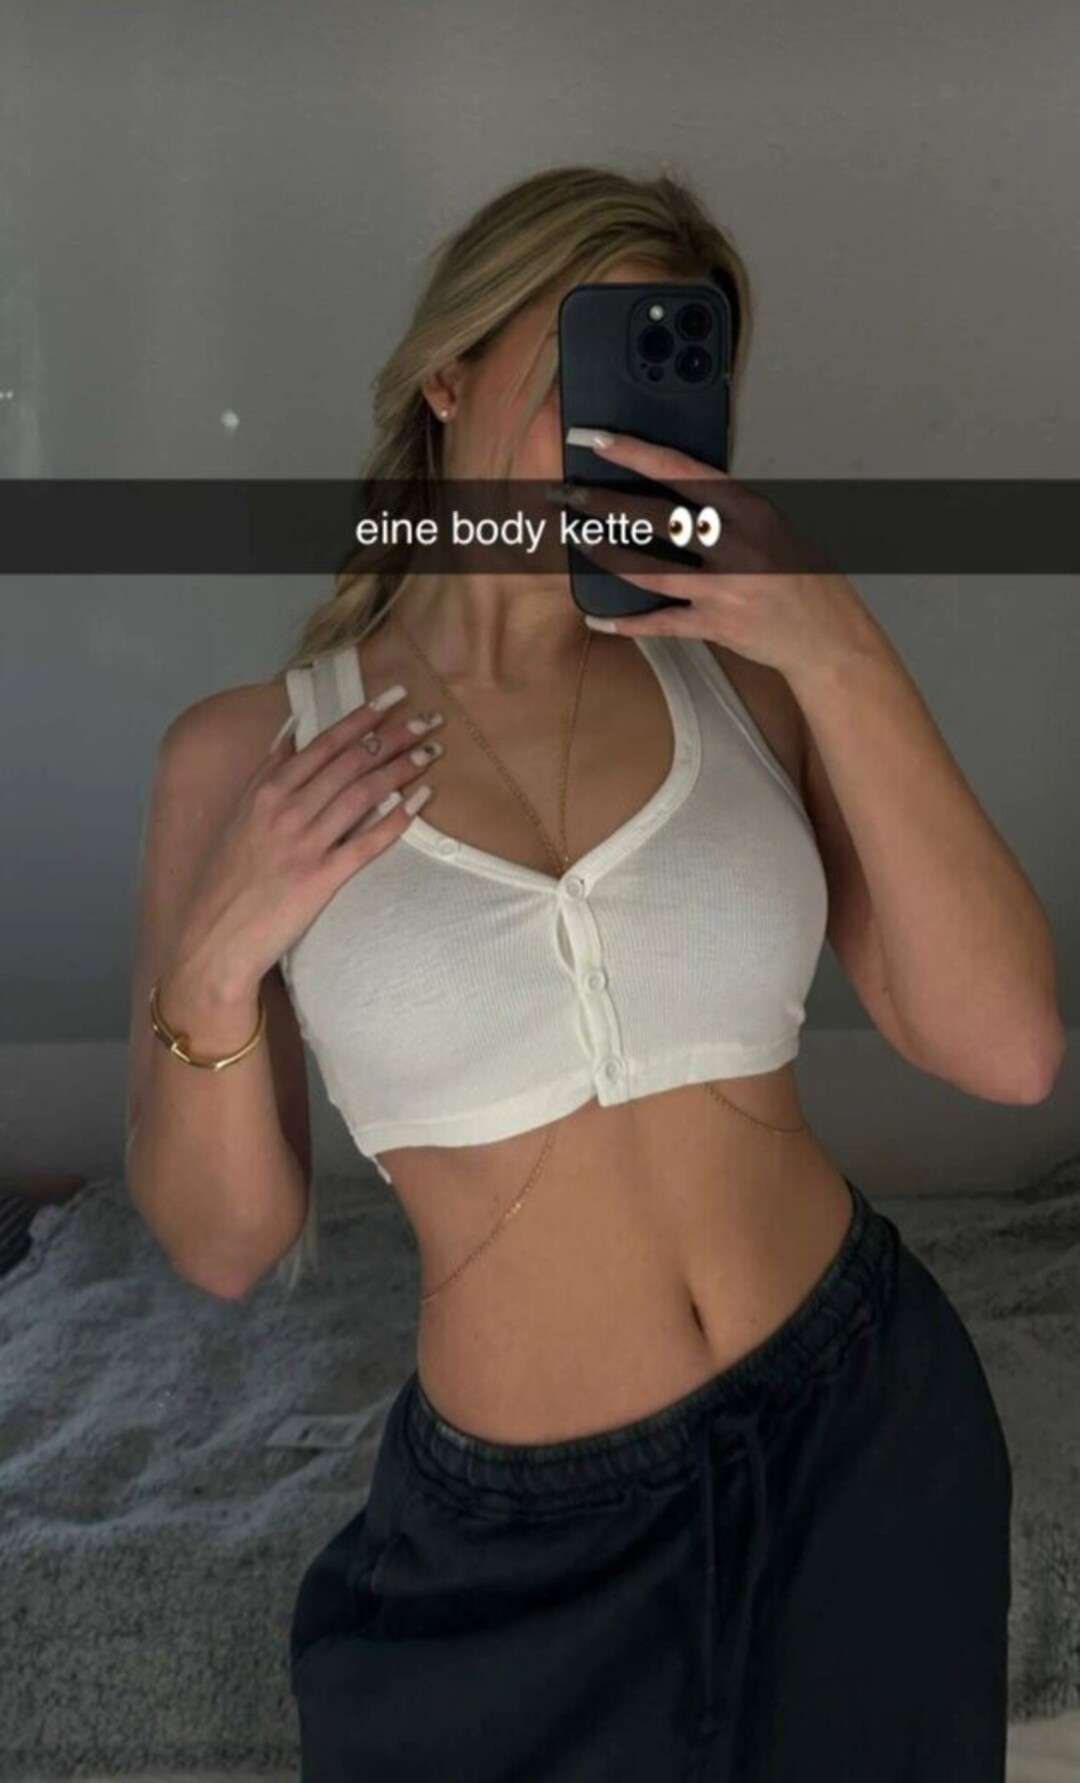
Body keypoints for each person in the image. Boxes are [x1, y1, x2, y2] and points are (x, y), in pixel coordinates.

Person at [126, 165, 1063, 1781]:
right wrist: (217, 958)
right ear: (448, 374)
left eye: (673, 372)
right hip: (520, 1555)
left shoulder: (750, 686)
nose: (620, 426)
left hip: (864, 1434)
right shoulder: (244, 758)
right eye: (588, 356)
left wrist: (837, 640)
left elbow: (1012, 1049)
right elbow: (225, 1247)